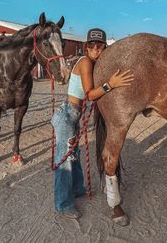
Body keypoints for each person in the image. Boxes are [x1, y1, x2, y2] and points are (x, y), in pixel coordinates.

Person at [51, 28, 134, 219]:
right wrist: (111, 84)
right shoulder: (86, 62)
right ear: (86, 47)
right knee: (64, 161)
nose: (95, 49)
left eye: (100, 46)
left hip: (72, 115)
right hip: (68, 115)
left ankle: (78, 189)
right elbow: (89, 95)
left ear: (105, 47)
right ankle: (63, 204)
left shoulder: (92, 63)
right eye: (92, 45)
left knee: (74, 155)